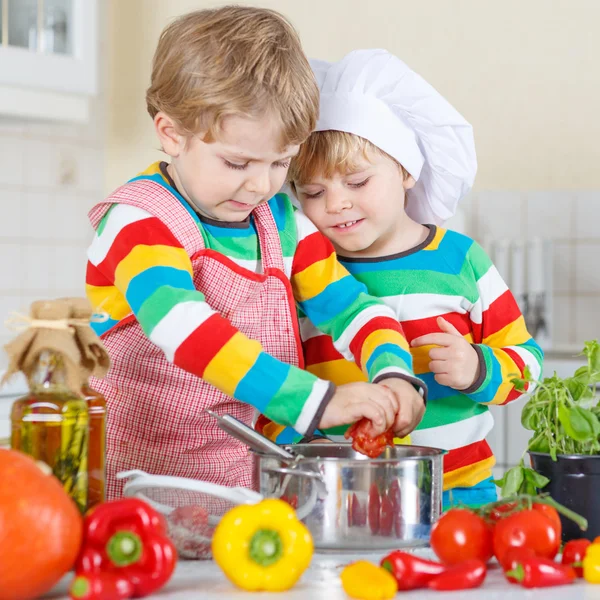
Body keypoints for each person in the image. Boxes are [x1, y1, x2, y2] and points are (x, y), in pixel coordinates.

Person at [84, 10, 426, 499]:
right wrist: (316, 402)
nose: (261, 185)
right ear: (171, 133)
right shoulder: (138, 220)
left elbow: (351, 305)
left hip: (248, 490)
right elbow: (185, 329)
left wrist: (393, 372)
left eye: (281, 162)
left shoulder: (281, 222)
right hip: (141, 489)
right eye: (237, 162)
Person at [273, 49, 543, 507]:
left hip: (459, 497)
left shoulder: (460, 260)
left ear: (405, 170)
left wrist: (477, 368)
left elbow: (529, 364)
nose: (336, 203)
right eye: (314, 192)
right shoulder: (307, 270)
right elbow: (277, 376)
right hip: (339, 497)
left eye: (357, 182)